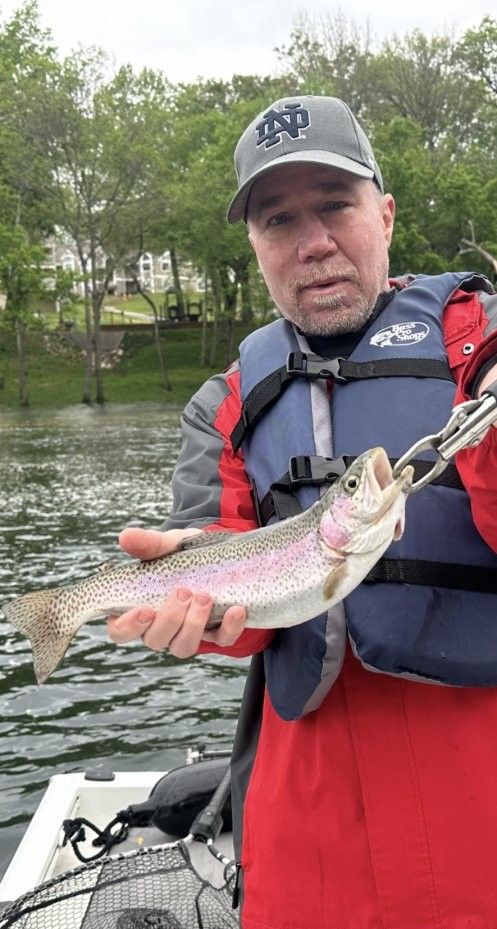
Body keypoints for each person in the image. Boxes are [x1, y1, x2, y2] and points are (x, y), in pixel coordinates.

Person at [108, 96, 497, 929]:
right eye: (278, 219)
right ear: (254, 247)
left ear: (384, 214)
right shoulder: (226, 402)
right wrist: (197, 611)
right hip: (307, 824)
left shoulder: (477, 336)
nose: (312, 242)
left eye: (333, 205)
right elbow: (242, 617)